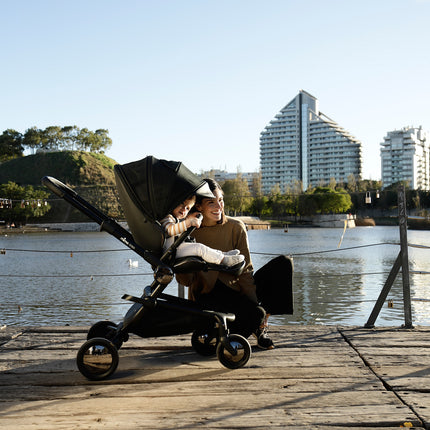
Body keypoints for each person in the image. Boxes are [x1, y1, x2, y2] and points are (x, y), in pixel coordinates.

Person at [176, 178, 274, 350]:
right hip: (205, 296)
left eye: (220, 200)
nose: (219, 207)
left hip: (232, 291)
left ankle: (252, 330)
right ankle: (227, 337)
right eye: (211, 203)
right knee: (247, 315)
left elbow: (246, 270)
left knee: (282, 266)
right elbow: (185, 281)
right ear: (199, 206)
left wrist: (254, 304)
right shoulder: (189, 231)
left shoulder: (236, 227)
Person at [160, 195, 245, 267]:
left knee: (201, 247)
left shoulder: (175, 219)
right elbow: (170, 230)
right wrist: (188, 223)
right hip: (170, 252)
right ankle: (223, 260)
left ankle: (222, 255)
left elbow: (178, 226)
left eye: (187, 208)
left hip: (175, 248)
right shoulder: (167, 218)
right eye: (181, 204)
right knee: (199, 248)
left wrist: (188, 219)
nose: (184, 209)